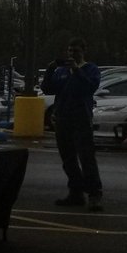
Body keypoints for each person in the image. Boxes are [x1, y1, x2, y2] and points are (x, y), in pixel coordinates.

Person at [41, 37, 103, 211]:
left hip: (81, 119)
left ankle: (94, 194)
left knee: (87, 158)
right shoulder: (61, 71)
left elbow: (89, 87)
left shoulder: (91, 69)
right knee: (68, 159)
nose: (72, 54)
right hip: (63, 119)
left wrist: (77, 70)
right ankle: (76, 192)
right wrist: (50, 70)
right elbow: (48, 89)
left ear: (83, 51)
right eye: (69, 51)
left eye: (76, 51)